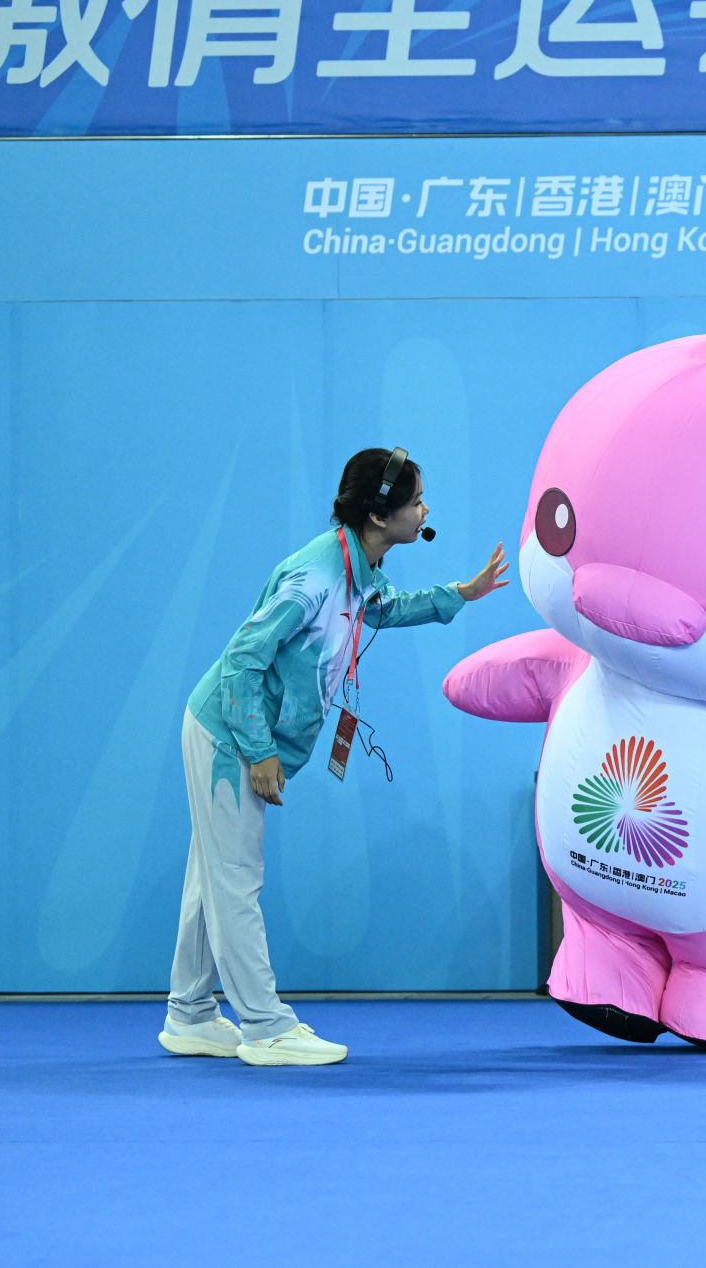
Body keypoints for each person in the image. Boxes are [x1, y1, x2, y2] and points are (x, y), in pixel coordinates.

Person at [159, 448, 509, 1066]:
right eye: (416, 500)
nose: (425, 510)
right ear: (379, 515)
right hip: (228, 736)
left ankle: (189, 1014)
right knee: (235, 878)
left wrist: (460, 594)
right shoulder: (315, 578)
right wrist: (259, 752)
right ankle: (266, 1027)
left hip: (240, 734)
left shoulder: (358, 566)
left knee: (211, 874)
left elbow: (383, 608)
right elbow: (242, 661)